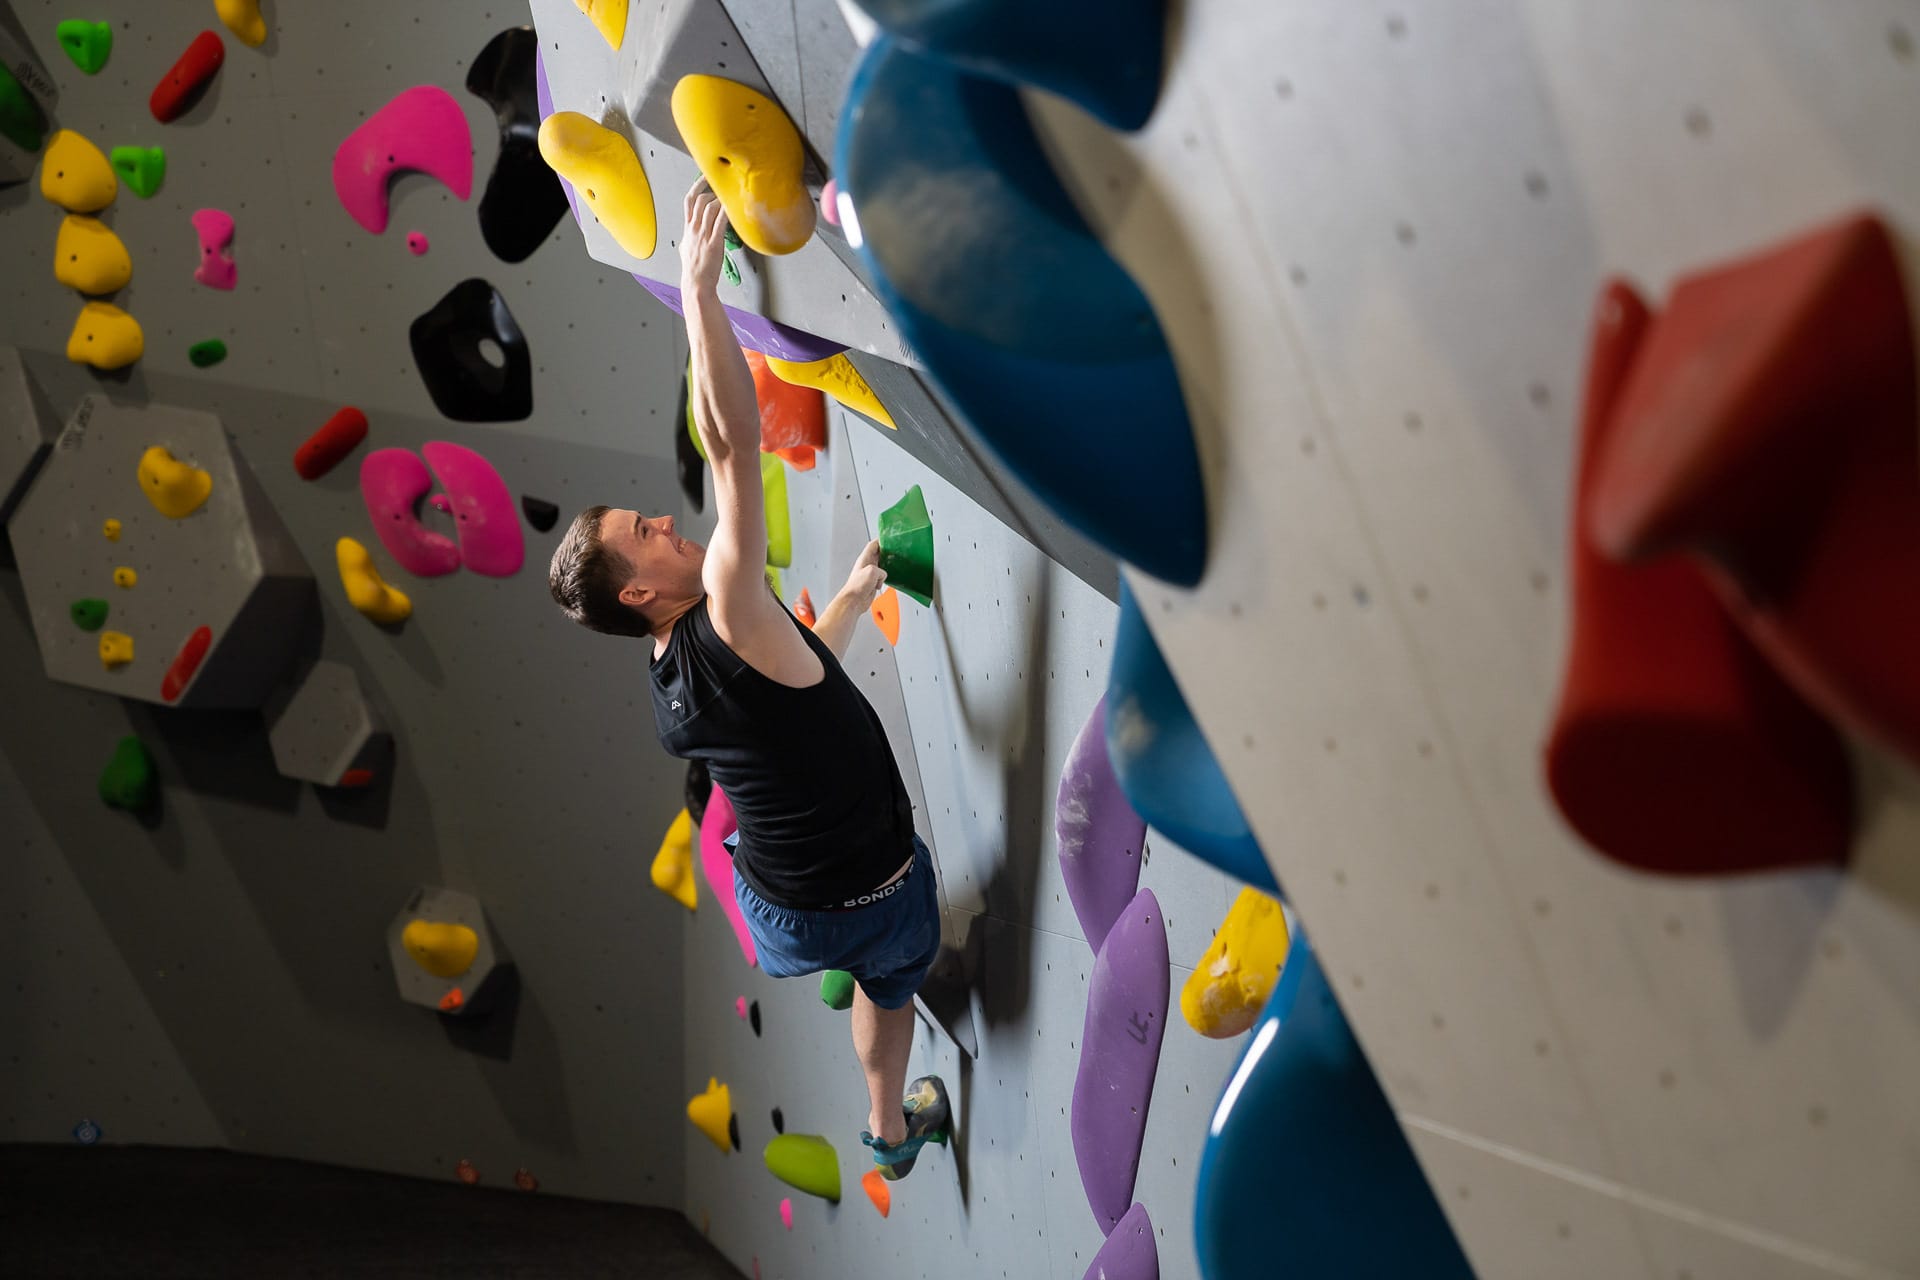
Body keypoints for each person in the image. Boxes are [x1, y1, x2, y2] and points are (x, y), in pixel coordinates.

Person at [548, 177, 949, 1180]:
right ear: (640, 589)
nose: (665, 522)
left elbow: (790, 698)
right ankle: (894, 1095)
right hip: (865, 885)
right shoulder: (725, 599)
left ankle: (886, 1128)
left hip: (782, 909)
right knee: (892, 972)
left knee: (869, 975)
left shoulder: (671, 670)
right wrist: (697, 292)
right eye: (646, 533)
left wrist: (849, 603)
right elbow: (730, 443)